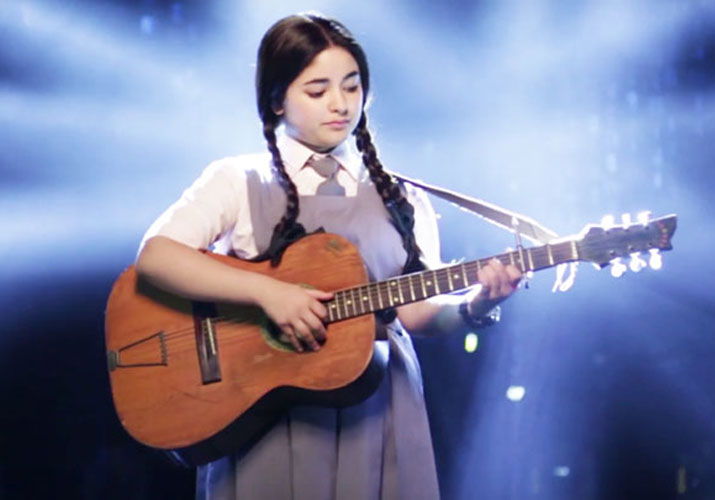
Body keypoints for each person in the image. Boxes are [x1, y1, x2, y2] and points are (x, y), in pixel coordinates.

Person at [135, 12, 521, 500]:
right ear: (277, 99)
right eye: (317, 91)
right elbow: (157, 257)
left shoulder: (400, 197)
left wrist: (476, 305)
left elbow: (415, 313)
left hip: (379, 406)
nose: (340, 104)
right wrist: (269, 294)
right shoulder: (237, 180)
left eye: (352, 87)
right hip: (267, 408)